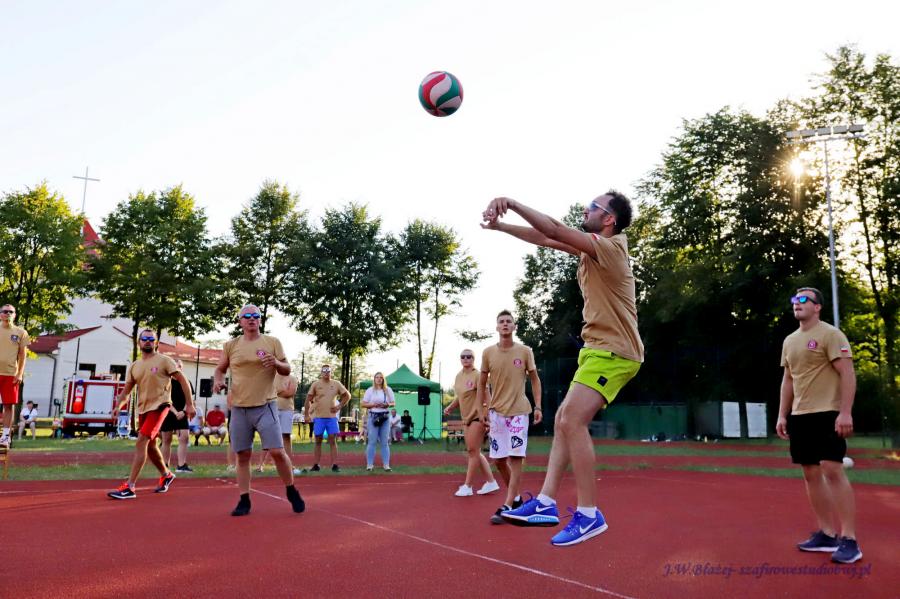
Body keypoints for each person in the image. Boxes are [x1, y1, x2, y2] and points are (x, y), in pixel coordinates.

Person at [483, 192, 643, 546]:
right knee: (562, 421)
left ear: (609, 219)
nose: (586, 209)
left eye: (593, 207)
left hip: (616, 352)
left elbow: (554, 228)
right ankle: (545, 502)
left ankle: (589, 514)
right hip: (596, 351)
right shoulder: (591, 251)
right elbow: (545, 237)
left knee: (572, 420)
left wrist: (512, 203)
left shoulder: (610, 248)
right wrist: (501, 227)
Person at [776, 287, 862, 564]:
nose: (797, 303)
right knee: (810, 473)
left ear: (817, 307)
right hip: (800, 415)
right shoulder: (790, 341)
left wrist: (845, 413)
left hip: (828, 412)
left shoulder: (831, 335)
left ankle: (849, 539)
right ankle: (827, 534)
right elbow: (788, 380)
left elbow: (847, 373)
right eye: (794, 299)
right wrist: (782, 415)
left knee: (832, 468)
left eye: (803, 299)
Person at [213, 304, 304, 516]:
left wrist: (276, 363)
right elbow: (220, 369)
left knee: (277, 451)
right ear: (240, 321)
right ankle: (244, 499)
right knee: (243, 454)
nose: (251, 318)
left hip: (266, 405)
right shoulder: (231, 345)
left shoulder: (272, 342)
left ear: (260, 320)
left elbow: (287, 369)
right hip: (239, 408)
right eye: (247, 316)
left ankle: (291, 489)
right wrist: (218, 381)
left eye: (255, 315)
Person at [107, 329, 196, 500]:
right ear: (139, 342)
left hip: (161, 406)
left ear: (156, 343)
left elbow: (183, 380)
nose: (147, 341)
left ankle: (130, 486)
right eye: (144, 338)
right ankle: (166, 474)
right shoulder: (135, 366)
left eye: (151, 339)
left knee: (141, 441)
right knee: (150, 445)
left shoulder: (165, 360)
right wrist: (118, 406)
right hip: (144, 409)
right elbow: (127, 390)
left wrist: (190, 405)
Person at [478, 310, 542, 524]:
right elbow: (481, 383)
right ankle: (516, 500)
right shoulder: (488, 353)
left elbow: (535, 379)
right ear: (497, 327)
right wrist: (481, 409)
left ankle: (506, 505)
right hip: (496, 413)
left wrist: (538, 406)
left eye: (509, 321)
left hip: (519, 412)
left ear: (514, 327)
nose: (505, 324)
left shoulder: (525, 351)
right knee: (498, 460)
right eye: (501, 322)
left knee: (515, 457)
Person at [444, 349, 500, 497]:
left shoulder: (478, 375)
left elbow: (487, 396)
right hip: (466, 418)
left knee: (472, 451)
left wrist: (490, 416)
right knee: (474, 451)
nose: (466, 359)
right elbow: (460, 396)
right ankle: (491, 482)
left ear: (474, 359)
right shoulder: (458, 376)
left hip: (478, 417)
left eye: (469, 356)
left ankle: (468, 486)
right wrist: (450, 407)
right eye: (463, 356)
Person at [303, 364, 351, 472]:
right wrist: (306, 414)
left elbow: (347, 396)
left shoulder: (336, 384)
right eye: (324, 371)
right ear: (321, 372)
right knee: (318, 440)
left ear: (331, 372)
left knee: (332, 440)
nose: (326, 373)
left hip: (332, 418)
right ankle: (316, 465)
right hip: (319, 417)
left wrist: (339, 406)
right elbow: (308, 399)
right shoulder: (316, 384)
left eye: (328, 371)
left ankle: (335, 465)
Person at [257, 373, 301, 475]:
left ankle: (289, 464)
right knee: (269, 436)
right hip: (271, 409)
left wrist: (275, 392)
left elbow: (290, 393)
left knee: (286, 436)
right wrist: (282, 391)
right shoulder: (270, 377)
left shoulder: (292, 378)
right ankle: (260, 465)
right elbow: (266, 392)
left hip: (287, 409)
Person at [0, 304, 29, 449]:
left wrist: (20, 373)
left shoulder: (20, 332)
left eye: (11, 312)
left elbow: (23, 355)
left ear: (15, 315)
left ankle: (5, 436)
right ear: (0, 314)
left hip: (11, 374)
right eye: (5, 311)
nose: (8, 314)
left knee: (8, 405)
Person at [159, 360, 194, 473]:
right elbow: (165, 400)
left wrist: (183, 411)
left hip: (182, 413)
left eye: (180, 366)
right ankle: (165, 466)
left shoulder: (187, 382)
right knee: (166, 440)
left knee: (184, 437)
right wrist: (175, 412)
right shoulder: (166, 382)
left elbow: (190, 400)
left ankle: (181, 465)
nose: (178, 368)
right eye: (176, 366)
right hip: (168, 412)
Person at [362, 372, 395, 471]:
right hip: (373, 417)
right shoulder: (370, 390)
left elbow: (393, 403)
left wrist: (387, 404)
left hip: (385, 417)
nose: (379, 379)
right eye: (377, 377)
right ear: (374, 379)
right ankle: (369, 465)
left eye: (381, 377)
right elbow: (363, 404)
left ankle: (386, 465)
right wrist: (373, 405)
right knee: (372, 441)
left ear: (383, 379)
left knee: (385, 442)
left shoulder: (388, 390)